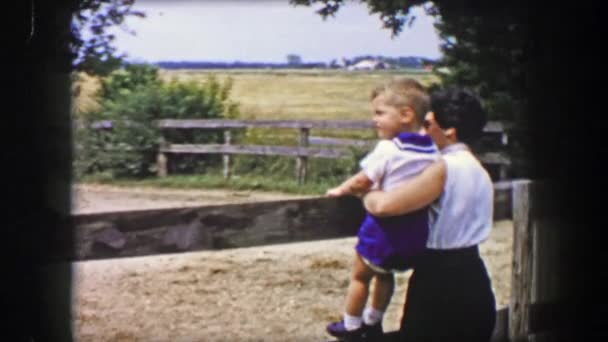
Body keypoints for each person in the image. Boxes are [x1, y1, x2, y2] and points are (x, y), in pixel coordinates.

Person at [363, 86, 497, 341]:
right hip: (474, 275)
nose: (422, 131)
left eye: (428, 123)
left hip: (439, 280)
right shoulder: (479, 169)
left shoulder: (443, 167)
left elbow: (384, 206)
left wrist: (365, 192)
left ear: (450, 131)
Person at [325, 78, 439, 341]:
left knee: (360, 277)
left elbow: (364, 180)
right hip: (412, 234)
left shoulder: (389, 149)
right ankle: (374, 321)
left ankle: (351, 325)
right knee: (386, 277)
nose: (374, 119)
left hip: (382, 231)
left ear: (405, 114)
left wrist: (341, 190)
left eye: (379, 113)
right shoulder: (431, 151)